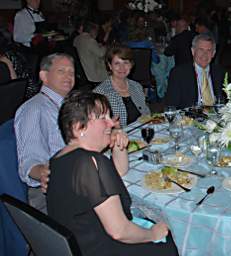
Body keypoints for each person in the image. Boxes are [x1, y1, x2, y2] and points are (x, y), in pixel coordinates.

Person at [47, 91, 179, 256]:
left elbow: (118, 172)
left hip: (78, 245)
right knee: (173, 241)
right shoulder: (90, 162)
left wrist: (117, 145)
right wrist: (153, 233)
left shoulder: (58, 158)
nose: (112, 123)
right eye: (103, 118)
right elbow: (119, 231)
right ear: (78, 127)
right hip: (102, 247)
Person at [14, 53, 75, 212]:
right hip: (50, 194)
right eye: (61, 71)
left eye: (71, 72)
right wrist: (48, 173)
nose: (68, 76)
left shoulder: (70, 105)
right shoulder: (34, 109)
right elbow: (29, 163)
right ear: (44, 76)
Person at [93, 46, 150, 127]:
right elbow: (97, 126)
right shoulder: (100, 92)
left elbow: (146, 113)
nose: (122, 67)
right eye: (117, 63)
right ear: (110, 66)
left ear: (131, 65)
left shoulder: (137, 86)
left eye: (125, 63)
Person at [165, 33, 226, 109]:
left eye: (209, 50)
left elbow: (226, 101)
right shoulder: (179, 74)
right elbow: (171, 106)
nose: (205, 54)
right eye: (201, 50)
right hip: (190, 118)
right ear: (193, 51)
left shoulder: (219, 72)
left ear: (213, 53)